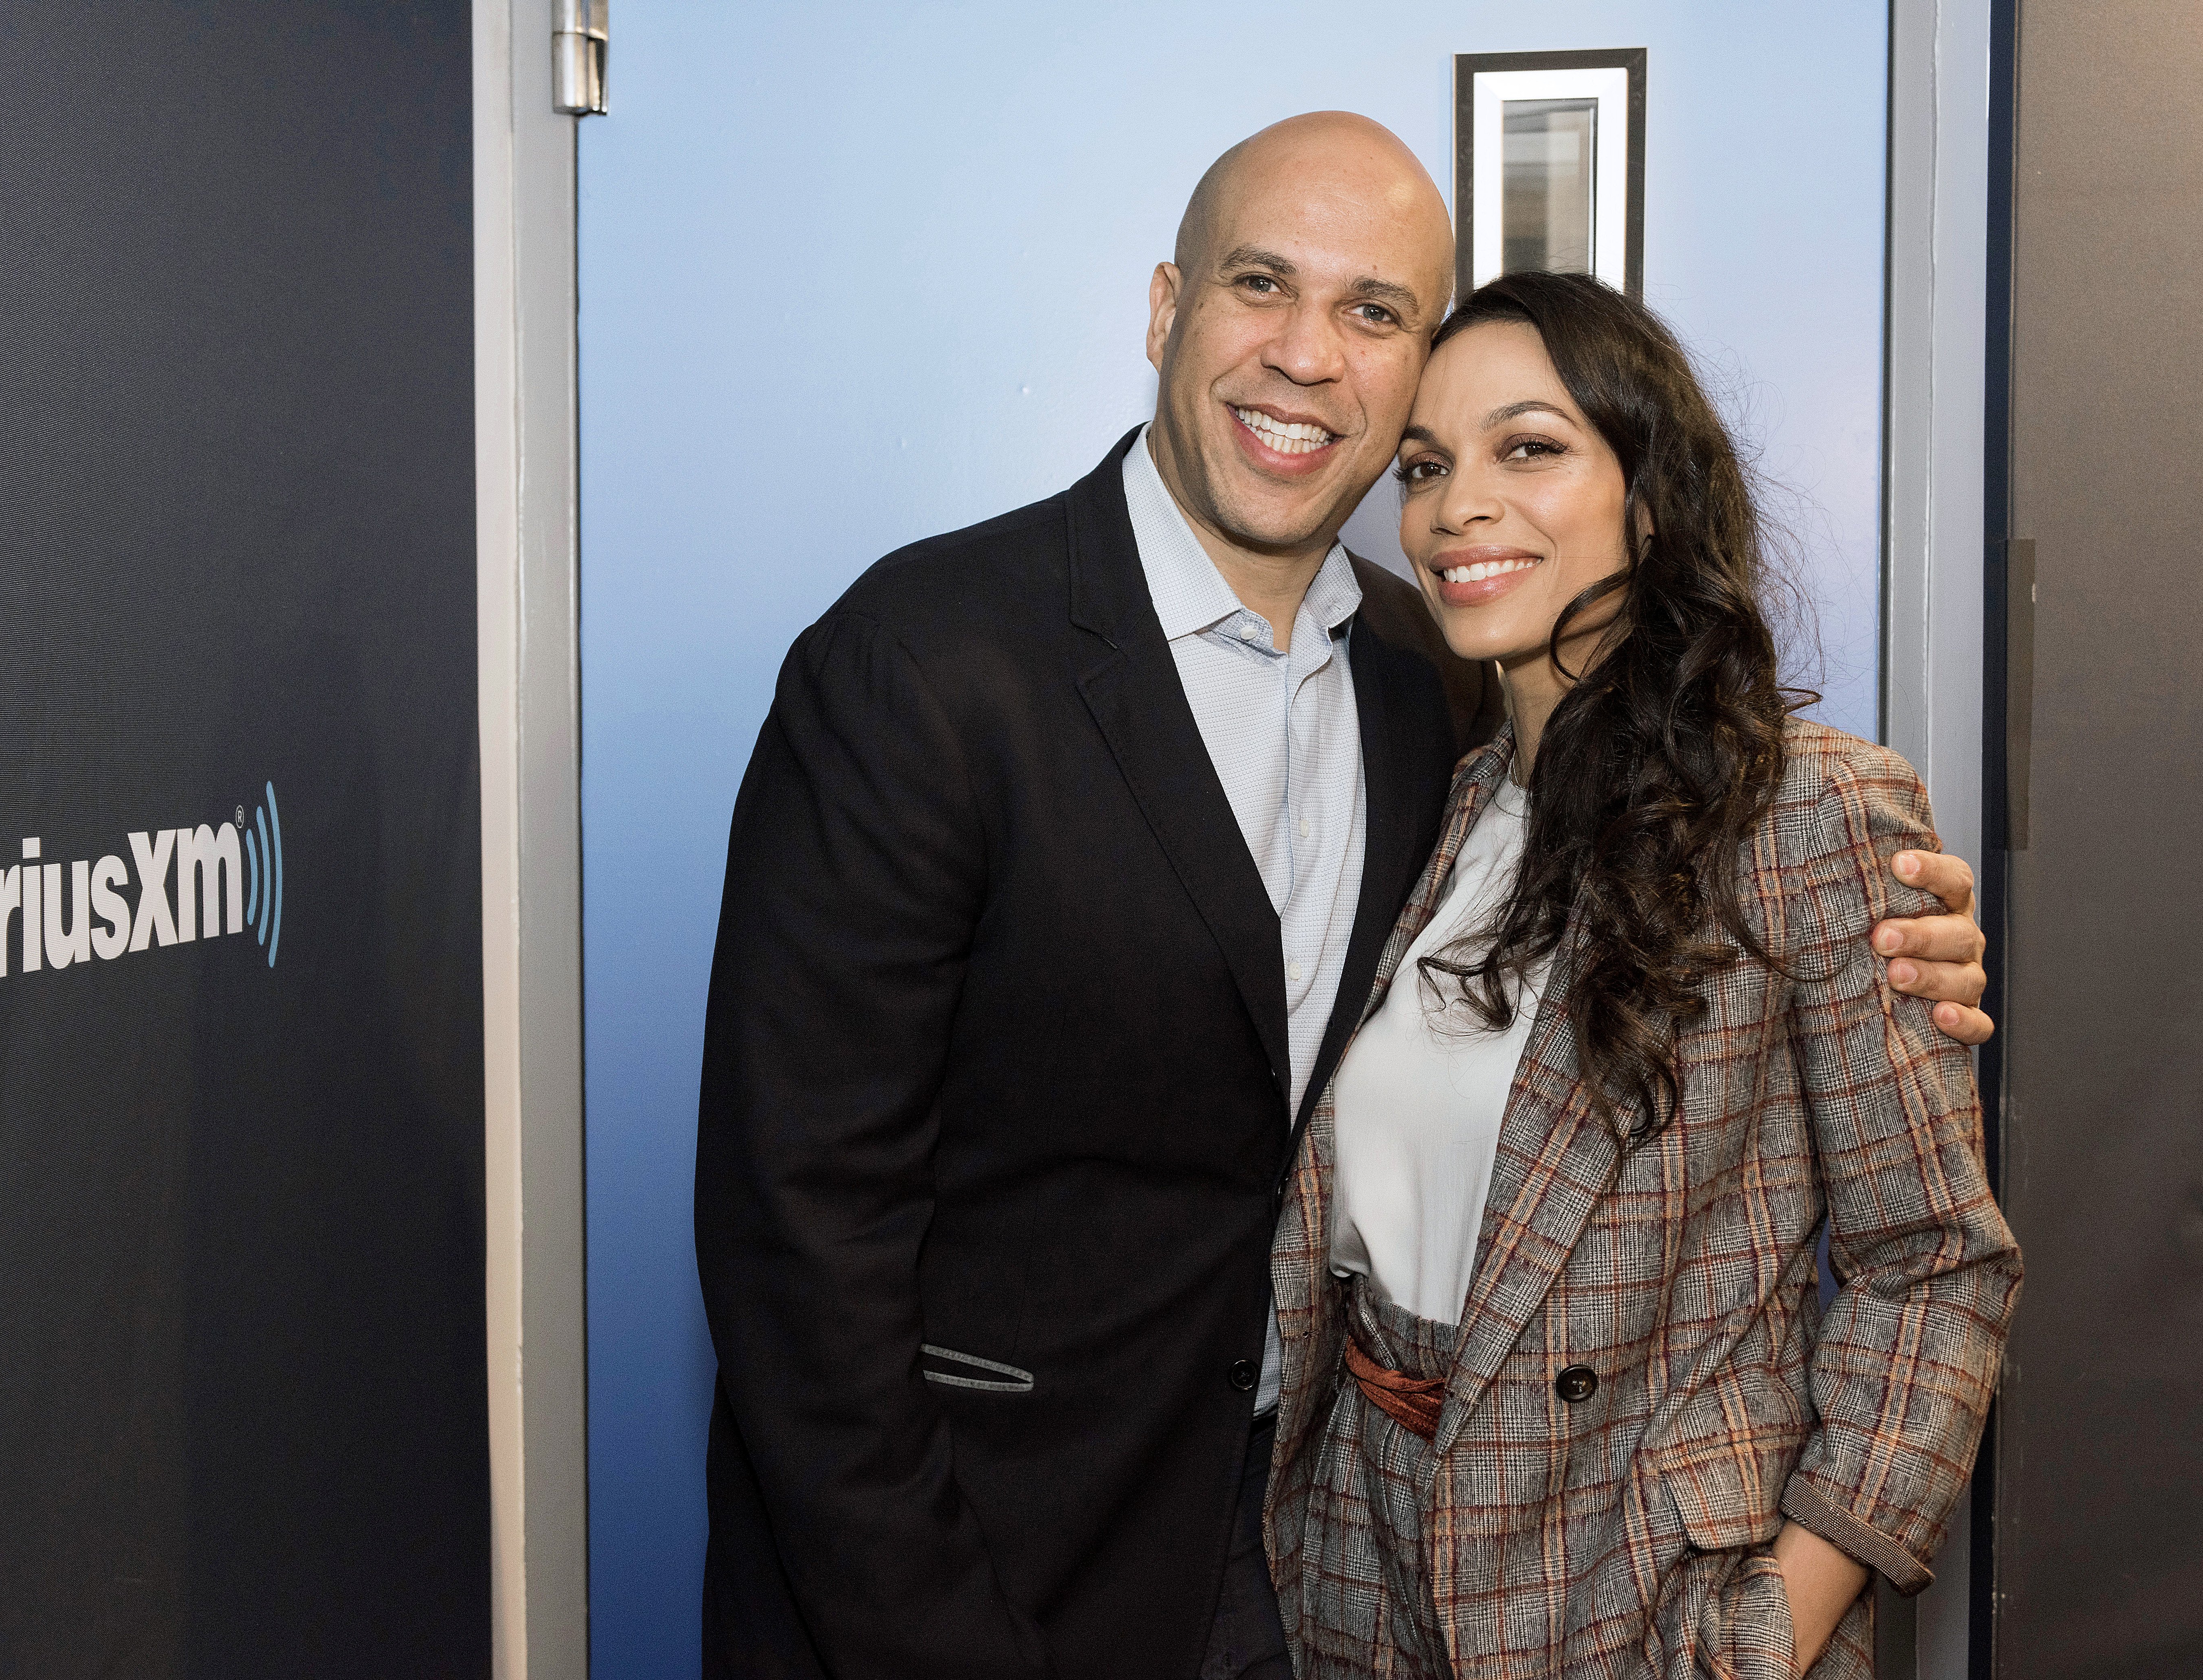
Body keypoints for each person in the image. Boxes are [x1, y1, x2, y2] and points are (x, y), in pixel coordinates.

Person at [695, 114, 1993, 1680]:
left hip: (1316, 1578)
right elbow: (797, 1238)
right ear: (1167, 309)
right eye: (1262, 286)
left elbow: (1914, 1242)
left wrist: (1770, 1627)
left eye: (1375, 313)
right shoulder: (922, 662)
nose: (1309, 357)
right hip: (979, 1563)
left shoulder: (1423, 687)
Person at [1264, 271, 2021, 1680]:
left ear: (1651, 496)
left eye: (1530, 448)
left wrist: (1771, 1627)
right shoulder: (1437, 790)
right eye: (1426, 466)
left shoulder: (1806, 817)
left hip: (1636, 1593)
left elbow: (1936, 1266)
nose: (1456, 507)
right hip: (1362, 1561)